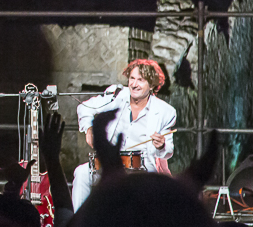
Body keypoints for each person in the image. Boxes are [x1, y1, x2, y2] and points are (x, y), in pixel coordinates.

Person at [70, 58, 175, 211]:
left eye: (140, 80)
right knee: (81, 173)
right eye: (132, 78)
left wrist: (162, 144)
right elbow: (84, 108)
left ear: (152, 85)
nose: (134, 84)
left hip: (143, 170)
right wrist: (89, 128)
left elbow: (168, 151)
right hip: (110, 165)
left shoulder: (166, 112)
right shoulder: (118, 95)